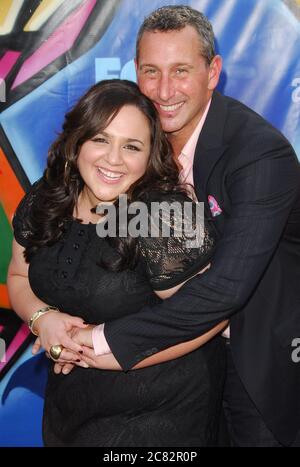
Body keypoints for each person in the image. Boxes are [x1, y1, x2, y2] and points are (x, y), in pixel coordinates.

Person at [79, 6, 300, 447]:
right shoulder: (132, 141)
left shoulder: (259, 155)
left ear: (212, 72)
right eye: (150, 71)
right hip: (175, 366)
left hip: (254, 358)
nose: (163, 91)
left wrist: (99, 341)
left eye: (180, 71)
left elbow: (225, 289)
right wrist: (50, 317)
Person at [7, 79, 228, 447]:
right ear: (77, 141)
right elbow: (19, 275)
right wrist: (41, 318)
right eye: (100, 139)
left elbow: (212, 314)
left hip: (160, 412)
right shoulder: (48, 196)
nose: (113, 159)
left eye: (132, 146)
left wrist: (98, 352)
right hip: (71, 403)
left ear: (150, 154)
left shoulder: (164, 216)